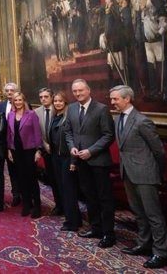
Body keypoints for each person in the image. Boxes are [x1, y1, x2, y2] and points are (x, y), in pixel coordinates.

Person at [111, 85, 167, 269]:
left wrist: (156, 173)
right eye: (111, 99)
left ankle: (161, 253)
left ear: (127, 99)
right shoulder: (118, 118)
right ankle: (143, 243)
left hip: (145, 174)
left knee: (153, 215)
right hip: (127, 173)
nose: (112, 102)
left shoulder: (142, 121)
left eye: (115, 99)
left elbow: (159, 151)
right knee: (138, 212)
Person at [64, 79, 116, 248]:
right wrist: (72, 147)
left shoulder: (101, 109)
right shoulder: (71, 108)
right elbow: (68, 132)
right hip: (80, 161)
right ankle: (96, 228)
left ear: (88, 90)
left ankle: (109, 234)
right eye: (75, 91)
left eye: (80, 90)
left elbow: (108, 135)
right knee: (89, 196)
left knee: (104, 198)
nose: (78, 93)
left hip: (98, 161)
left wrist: (91, 151)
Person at [48, 91, 82, 232]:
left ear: (65, 103)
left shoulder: (69, 118)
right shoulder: (55, 116)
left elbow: (74, 141)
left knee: (69, 191)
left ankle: (72, 222)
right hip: (57, 157)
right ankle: (74, 218)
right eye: (55, 101)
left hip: (68, 158)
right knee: (62, 188)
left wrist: (73, 161)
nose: (57, 103)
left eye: (60, 101)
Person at [6, 92, 43, 218]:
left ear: (24, 101)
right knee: (21, 178)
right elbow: (9, 134)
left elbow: (37, 133)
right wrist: (9, 150)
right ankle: (26, 204)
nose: (17, 102)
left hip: (30, 150)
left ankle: (37, 205)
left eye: (20, 100)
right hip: (16, 151)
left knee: (31, 178)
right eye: (15, 100)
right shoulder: (10, 115)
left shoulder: (31, 114)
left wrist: (38, 150)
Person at [35, 88, 62, 216]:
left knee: (62, 180)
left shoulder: (58, 109)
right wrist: (44, 144)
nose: (43, 99)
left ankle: (66, 205)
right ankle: (58, 205)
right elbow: (36, 131)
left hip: (60, 151)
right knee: (53, 180)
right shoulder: (36, 112)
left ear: (51, 97)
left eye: (46, 96)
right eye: (41, 97)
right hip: (46, 150)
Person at [0, 82, 21, 206]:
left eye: (12, 90)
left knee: (21, 169)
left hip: (19, 144)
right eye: (7, 91)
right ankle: (16, 194)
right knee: (11, 170)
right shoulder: (0, 106)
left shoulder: (23, 104)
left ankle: (25, 193)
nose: (9, 93)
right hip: (3, 143)